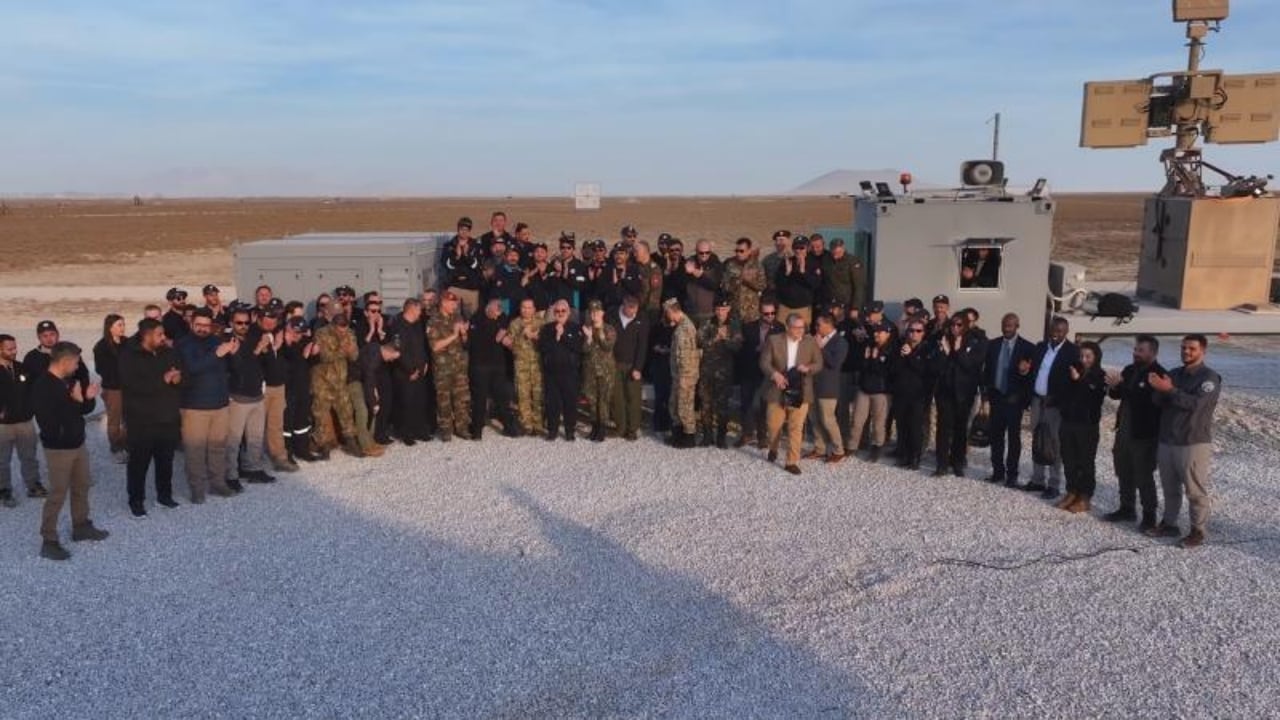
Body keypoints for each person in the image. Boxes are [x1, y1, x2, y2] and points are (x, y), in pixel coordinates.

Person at [32, 342, 109, 560]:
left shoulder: (66, 381)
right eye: (76, 362)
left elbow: (81, 411)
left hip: (77, 444)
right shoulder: (43, 386)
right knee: (57, 494)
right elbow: (51, 421)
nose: (77, 367)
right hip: (59, 449)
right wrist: (76, 401)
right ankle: (49, 540)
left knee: (81, 486)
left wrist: (88, 397)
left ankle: (81, 526)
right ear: (65, 361)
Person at [1147, 334, 1222, 548]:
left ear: (1203, 351)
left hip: (1192, 442)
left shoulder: (1209, 378)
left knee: (1195, 490)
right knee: (1170, 487)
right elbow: (1157, 401)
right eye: (1183, 348)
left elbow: (1196, 405)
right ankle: (1169, 524)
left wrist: (1169, 390)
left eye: (1191, 348)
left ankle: (1198, 530)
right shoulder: (1173, 374)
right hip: (1167, 440)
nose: (1186, 352)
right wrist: (1161, 390)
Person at [118, 318, 184, 517]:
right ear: (146, 335)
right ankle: (136, 501)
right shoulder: (129, 356)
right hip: (141, 421)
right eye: (159, 334)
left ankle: (164, 495)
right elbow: (132, 387)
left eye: (163, 334)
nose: (164, 338)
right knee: (139, 463)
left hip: (167, 418)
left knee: (166, 461)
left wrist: (178, 379)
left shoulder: (169, 352)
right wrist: (162, 381)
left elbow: (181, 375)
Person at [1102, 335, 1165, 530]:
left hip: (1145, 434)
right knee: (1123, 469)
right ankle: (1127, 508)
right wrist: (1113, 387)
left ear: (1152, 353)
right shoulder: (1130, 370)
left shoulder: (1159, 375)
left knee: (1143, 474)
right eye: (1135, 349)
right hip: (1124, 430)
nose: (1135, 353)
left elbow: (1147, 402)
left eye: (1140, 350)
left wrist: (1122, 387)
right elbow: (1118, 395)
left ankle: (1149, 515)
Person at [176, 309, 238, 501]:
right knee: (195, 450)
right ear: (192, 324)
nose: (203, 329)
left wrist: (232, 354)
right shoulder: (183, 344)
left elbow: (228, 369)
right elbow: (193, 367)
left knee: (218, 447)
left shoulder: (216, 341)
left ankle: (218, 483)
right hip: (195, 406)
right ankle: (197, 488)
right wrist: (218, 354)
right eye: (199, 325)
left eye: (206, 325)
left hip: (219, 404)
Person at [311, 308, 379, 458]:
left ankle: (351, 442)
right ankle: (323, 445)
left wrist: (350, 351)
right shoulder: (322, 333)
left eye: (345, 330)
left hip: (340, 380)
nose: (343, 333)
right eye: (340, 330)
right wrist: (344, 350)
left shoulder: (350, 333)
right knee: (321, 413)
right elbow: (324, 356)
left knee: (346, 412)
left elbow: (354, 356)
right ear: (334, 326)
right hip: (323, 380)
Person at [761, 313, 821, 475]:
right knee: (773, 425)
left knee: (796, 427)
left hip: (801, 389)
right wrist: (775, 375)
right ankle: (773, 447)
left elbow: (819, 363)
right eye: (796, 328)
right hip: (777, 388)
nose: (800, 331)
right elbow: (764, 362)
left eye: (802, 327)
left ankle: (791, 461)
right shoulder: (774, 340)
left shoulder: (810, 342)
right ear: (788, 327)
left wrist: (808, 368)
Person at [1025, 317, 1079, 499]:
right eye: (1053, 331)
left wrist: (1058, 399)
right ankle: (1038, 480)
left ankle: (1054, 483)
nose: (1055, 335)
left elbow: (1073, 383)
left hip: (1055, 405)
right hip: (1037, 400)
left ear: (1066, 332)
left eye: (1060, 332)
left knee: (1054, 443)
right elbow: (1032, 371)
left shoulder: (1072, 352)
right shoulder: (1040, 347)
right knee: (1037, 439)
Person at [981, 313, 1037, 487]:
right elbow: (987, 371)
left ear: (1017, 326)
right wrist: (985, 394)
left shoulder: (1028, 348)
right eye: (1004, 325)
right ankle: (998, 471)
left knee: (1014, 439)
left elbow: (1032, 377)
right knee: (996, 437)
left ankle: (1012, 475)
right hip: (996, 397)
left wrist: (1025, 375)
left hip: (1014, 400)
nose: (1006, 328)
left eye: (1010, 325)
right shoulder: (993, 345)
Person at [931, 314, 986, 477]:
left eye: (959, 325)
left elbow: (971, 365)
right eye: (953, 325)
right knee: (943, 429)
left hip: (964, 393)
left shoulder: (975, 341)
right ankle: (941, 464)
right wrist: (946, 352)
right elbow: (936, 366)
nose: (955, 328)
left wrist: (956, 351)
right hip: (945, 392)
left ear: (966, 326)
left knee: (960, 430)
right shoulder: (943, 339)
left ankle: (957, 463)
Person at [225, 308, 275, 486]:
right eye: (239, 323)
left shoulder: (253, 338)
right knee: (233, 440)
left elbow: (269, 364)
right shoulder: (227, 341)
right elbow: (238, 368)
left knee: (255, 437)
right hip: (238, 398)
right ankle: (230, 475)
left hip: (256, 396)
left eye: (246, 323)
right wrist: (257, 350)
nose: (243, 326)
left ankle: (253, 468)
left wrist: (266, 349)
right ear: (231, 323)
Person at [1056, 341, 1107, 514]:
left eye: (1088, 357)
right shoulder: (1072, 371)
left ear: (1095, 358)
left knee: (1085, 461)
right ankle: (1072, 491)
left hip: (1087, 425)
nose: (1083, 359)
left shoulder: (1100, 375)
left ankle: (1085, 496)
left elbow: (1094, 397)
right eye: (1081, 356)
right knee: (1068, 458)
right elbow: (1063, 393)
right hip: (1068, 421)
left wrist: (1080, 380)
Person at [0, 334, 44, 505]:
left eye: (15, 347)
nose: (14, 351)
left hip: (25, 422)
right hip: (2, 427)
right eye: (9, 349)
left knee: (29, 456)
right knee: (2, 460)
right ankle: (4, 489)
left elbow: (33, 390)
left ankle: (33, 485)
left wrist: (32, 409)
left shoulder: (22, 368)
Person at [736, 299, 784, 449]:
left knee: (762, 404)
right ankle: (747, 433)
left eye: (772, 313)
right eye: (766, 313)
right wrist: (755, 349)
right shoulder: (749, 327)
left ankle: (762, 436)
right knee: (746, 402)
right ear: (760, 313)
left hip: (767, 372)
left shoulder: (780, 328)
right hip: (750, 370)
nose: (770, 316)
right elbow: (741, 350)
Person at [695, 297, 742, 448]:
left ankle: (721, 436)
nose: (721, 312)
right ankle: (707, 435)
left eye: (724, 309)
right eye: (718, 309)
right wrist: (715, 338)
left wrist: (726, 339)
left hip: (724, 372)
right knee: (706, 403)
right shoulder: (707, 323)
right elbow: (699, 342)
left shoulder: (734, 325)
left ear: (728, 310)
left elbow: (737, 347)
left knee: (722, 405)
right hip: (707, 370)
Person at [467, 298, 517, 439]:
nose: (497, 316)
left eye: (499, 313)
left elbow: (506, 321)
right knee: (479, 399)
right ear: (488, 309)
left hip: (497, 366)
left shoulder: (501, 317)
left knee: (502, 398)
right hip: (480, 366)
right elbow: (476, 342)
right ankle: (477, 431)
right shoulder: (476, 320)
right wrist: (497, 337)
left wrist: (503, 332)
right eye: (495, 313)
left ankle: (509, 428)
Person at [428, 291, 473, 441]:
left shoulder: (458, 317)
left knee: (461, 399)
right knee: (444, 400)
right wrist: (454, 335)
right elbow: (435, 346)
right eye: (452, 302)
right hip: (443, 369)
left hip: (459, 366)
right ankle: (446, 430)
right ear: (443, 303)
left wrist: (464, 334)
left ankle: (462, 428)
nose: (454, 305)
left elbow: (465, 343)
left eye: (455, 302)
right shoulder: (434, 321)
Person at [538, 299, 584, 441]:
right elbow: (543, 347)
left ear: (568, 312)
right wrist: (556, 336)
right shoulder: (547, 329)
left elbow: (577, 347)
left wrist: (563, 335)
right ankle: (552, 430)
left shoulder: (576, 328)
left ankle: (570, 431)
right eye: (557, 311)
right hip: (552, 373)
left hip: (569, 373)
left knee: (570, 403)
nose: (560, 313)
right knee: (553, 403)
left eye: (563, 311)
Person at [848, 321, 894, 462]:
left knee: (879, 422)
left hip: (881, 391)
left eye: (880, 332)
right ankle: (852, 446)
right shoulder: (869, 346)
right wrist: (867, 360)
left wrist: (874, 360)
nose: (876, 335)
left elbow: (888, 372)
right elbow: (860, 366)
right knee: (857, 419)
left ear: (887, 334)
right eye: (875, 332)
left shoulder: (891, 349)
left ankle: (877, 446)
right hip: (864, 389)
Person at [257, 309, 296, 473]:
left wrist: (284, 344)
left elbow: (289, 359)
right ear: (259, 319)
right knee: (256, 426)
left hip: (279, 386)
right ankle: (253, 461)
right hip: (262, 387)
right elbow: (256, 360)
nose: (270, 322)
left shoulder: (279, 334)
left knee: (276, 424)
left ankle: (279, 457)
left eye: (273, 319)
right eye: (267, 318)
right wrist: (272, 347)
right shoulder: (255, 335)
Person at [890, 319, 932, 470]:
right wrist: (902, 356)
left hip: (918, 395)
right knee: (902, 425)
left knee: (915, 427)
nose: (914, 334)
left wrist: (910, 356)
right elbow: (893, 370)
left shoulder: (927, 349)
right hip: (901, 393)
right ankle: (903, 455)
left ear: (923, 333)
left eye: (918, 331)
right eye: (911, 330)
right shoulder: (901, 347)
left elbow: (924, 371)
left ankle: (915, 458)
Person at [607, 295, 650, 441]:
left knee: (633, 398)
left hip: (632, 365)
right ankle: (620, 427)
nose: (633, 313)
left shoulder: (641, 320)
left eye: (635, 310)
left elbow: (642, 346)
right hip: (614, 364)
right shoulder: (611, 316)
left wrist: (638, 367)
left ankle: (632, 429)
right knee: (617, 397)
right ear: (623, 306)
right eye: (630, 310)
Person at [807, 313, 848, 463]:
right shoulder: (816, 339)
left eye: (818, 325)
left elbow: (835, 363)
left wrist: (820, 348)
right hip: (813, 384)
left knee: (828, 420)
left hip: (828, 387)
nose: (816, 328)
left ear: (828, 324)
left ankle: (838, 450)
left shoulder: (840, 342)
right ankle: (820, 448)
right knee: (814, 418)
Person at [280, 317, 321, 463]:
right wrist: (293, 348)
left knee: (302, 421)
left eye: (301, 333)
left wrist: (315, 354)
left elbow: (312, 363)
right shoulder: (282, 344)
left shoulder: (303, 342)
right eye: (296, 332)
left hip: (303, 387)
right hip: (288, 389)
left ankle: (302, 450)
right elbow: (287, 363)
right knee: (287, 423)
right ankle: (287, 453)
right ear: (288, 329)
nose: (298, 335)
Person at [390, 299, 430, 445]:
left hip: (420, 369)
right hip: (405, 372)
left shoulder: (417, 324)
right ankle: (406, 434)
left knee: (420, 402)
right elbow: (398, 350)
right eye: (419, 310)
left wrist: (425, 362)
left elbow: (422, 345)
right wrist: (410, 370)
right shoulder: (397, 326)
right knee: (406, 403)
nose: (421, 313)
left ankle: (420, 430)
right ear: (412, 309)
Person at [505, 298, 546, 437]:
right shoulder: (514, 324)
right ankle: (526, 425)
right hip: (521, 365)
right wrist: (522, 335)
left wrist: (536, 338)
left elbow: (548, 344)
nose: (526, 310)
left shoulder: (541, 323)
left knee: (538, 395)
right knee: (523, 396)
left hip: (537, 365)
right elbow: (509, 345)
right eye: (524, 307)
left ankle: (538, 425)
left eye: (529, 307)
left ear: (534, 309)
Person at [93, 314, 129, 463]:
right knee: (115, 420)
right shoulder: (101, 347)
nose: (122, 328)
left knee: (130, 419)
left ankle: (127, 444)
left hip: (129, 387)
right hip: (114, 388)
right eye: (119, 325)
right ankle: (116, 447)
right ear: (110, 328)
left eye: (123, 324)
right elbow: (101, 369)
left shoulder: (128, 342)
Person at [665, 298, 701, 448]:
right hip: (679, 374)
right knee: (675, 404)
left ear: (673, 311)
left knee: (685, 406)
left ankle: (689, 437)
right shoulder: (681, 326)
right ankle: (678, 434)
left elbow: (686, 356)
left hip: (685, 375)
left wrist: (684, 378)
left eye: (667, 313)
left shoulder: (684, 329)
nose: (666, 316)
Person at [582, 299, 618, 442]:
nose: (594, 315)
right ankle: (594, 426)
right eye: (591, 312)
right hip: (590, 370)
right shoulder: (586, 329)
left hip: (605, 371)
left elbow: (608, 347)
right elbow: (584, 350)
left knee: (603, 400)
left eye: (596, 312)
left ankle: (602, 428)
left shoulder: (609, 329)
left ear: (602, 313)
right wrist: (589, 338)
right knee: (592, 399)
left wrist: (601, 335)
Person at [774, 237, 820, 328]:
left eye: (801, 248)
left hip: (802, 307)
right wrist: (787, 273)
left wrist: (803, 272)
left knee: (801, 335)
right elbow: (778, 284)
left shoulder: (814, 263)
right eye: (796, 248)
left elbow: (815, 285)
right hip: (785, 307)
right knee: (781, 334)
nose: (798, 251)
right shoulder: (787, 262)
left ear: (807, 248)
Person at [443, 216, 483, 317]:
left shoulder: (476, 246)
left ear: (470, 231)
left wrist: (466, 255)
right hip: (454, 287)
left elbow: (477, 266)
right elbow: (447, 265)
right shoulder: (449, 246)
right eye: (461, 229)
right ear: (458, 230)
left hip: (471, 288)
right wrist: (456, 256)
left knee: (472, 318)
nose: (464, 232)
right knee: (452, 317)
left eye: (466, 230)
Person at [722, 237, 765, 324]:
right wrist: (735, 282)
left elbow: (762, 286)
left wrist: (747, 280)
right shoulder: (730, 265)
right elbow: (725, 287)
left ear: (749, 251)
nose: (738, 253)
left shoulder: (757, 265)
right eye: (736, 251)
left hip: (751, 314)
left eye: (741, 251)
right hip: (734, 313)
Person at [821, 238, 867, 315]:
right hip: (830, 304)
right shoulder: (826, 260)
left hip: (846, 304)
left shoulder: (852, 261)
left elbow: (859, 286)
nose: (835, 255)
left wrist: (855, 307)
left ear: (843, 248)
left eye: (838, 252)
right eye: (834, 252)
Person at [683, 240, 723, 326]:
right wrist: (688, 273)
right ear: (696, 251)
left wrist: (701, 276)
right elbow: (682, 285)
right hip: (690, 313)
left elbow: (715, 285)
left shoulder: (716, 265)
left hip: (708, 314)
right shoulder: (689, 263)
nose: (704, 255)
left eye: (707, 252)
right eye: (701, 253)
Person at [761, 230, 791, 295]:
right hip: (771, 294)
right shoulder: (768, 259)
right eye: (776, 240)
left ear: (788, 241)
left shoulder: (794, 258)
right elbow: (761, 276)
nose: (778, 243)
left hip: (789, 295)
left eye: (781, 240)